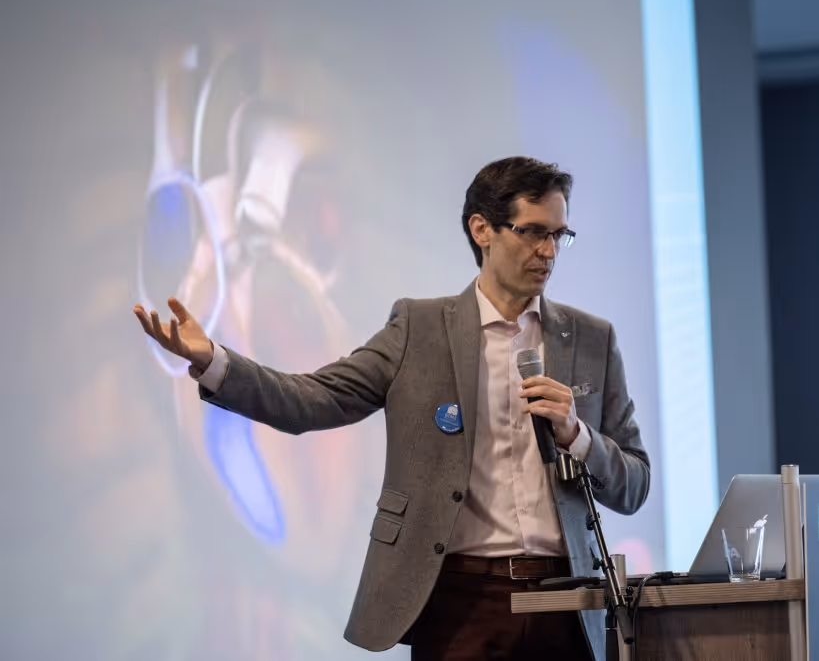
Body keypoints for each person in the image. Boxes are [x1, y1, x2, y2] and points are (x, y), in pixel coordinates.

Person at [134, 156, 651, 660]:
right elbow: (314, 400)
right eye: (532, 232)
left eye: (558, 235)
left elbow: (635, 484)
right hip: (458, 598)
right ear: (482, 229)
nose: (548, 251)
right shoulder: (420, 330)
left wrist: (576, 435)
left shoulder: (590, 339)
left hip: (566, 599)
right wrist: (215, 362)